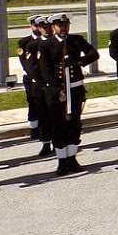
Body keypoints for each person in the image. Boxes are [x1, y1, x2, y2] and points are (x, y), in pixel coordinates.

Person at [37, 13, 100, 173]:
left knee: (74, 124)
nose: (63, 28)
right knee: (58, 125)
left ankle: (72, 159)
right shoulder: (46, 45)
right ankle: (61, 160)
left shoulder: (76, 40)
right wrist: (58, 88)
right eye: (60, 25)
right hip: (57, 91)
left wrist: (78, 62)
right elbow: (45, 69)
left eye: (66, 25)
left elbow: (94, 54)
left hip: (75, 88)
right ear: (53, 27)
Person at [17, 15, 44, 140]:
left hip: (45, 77)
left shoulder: (46, 40)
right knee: (32, 102)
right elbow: (24, 62)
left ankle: (43, 127)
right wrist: (35, 75)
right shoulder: (24, 42)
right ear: (31, 26)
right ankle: (34, 127)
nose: (37, 28)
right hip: (30, 77)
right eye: (35, 25)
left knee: (44, 102)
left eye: (39, 25)